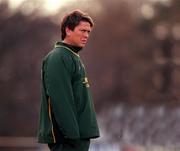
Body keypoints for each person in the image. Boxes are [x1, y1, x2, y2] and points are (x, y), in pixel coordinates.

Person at [37, 10, 100, 151]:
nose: (86, 35)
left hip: (78, 138)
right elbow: (60, 100)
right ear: (68, 30)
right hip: (67, 141)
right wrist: (73, 137)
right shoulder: (58, 57)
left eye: (88, 32)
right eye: (82, 30)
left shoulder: (73, 56)